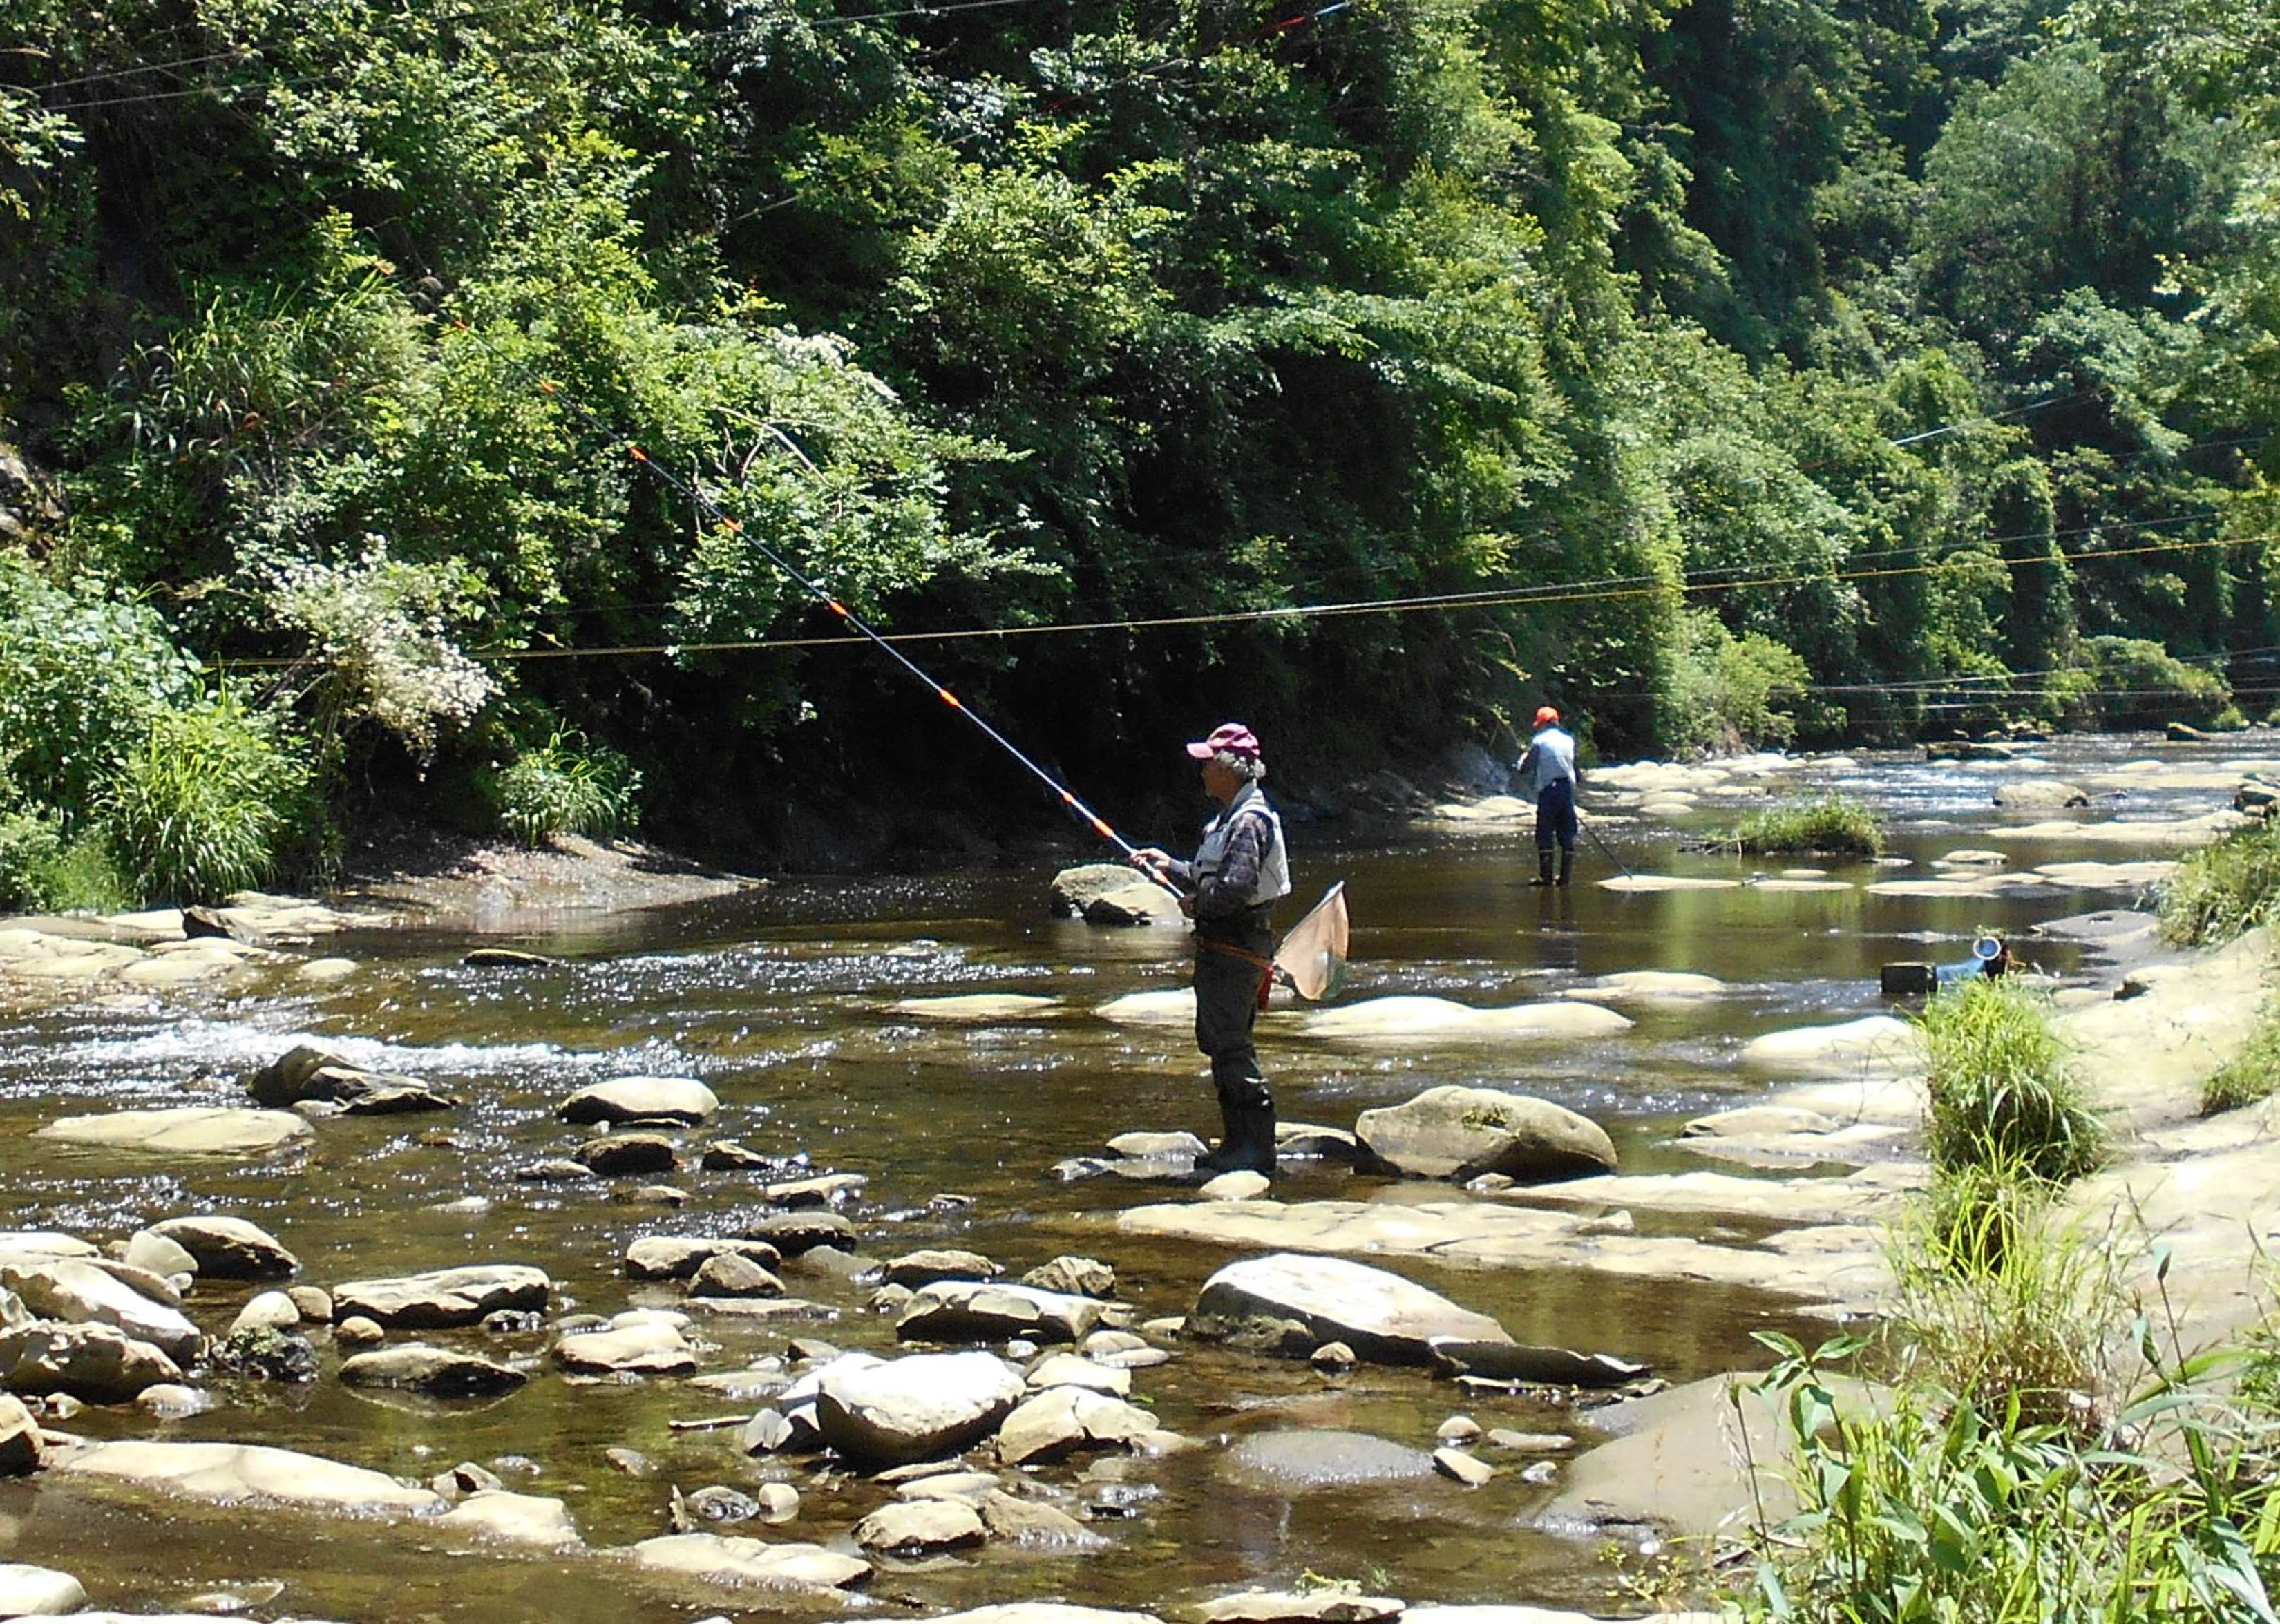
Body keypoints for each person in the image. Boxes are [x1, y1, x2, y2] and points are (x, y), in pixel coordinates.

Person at [1131, 723, 1292, 1176]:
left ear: (1230, 769)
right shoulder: (1230, 818)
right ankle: (1239, 1143)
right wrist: (1171, 866)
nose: (1201, 770)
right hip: (1227, 945)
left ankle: (1255, 1149)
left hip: (1237, 947)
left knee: (1230, 1044)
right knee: (1221, 1041)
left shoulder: (1248, 820)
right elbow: (1218, 879)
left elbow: (1235, 889)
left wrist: (1194, 903)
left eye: (1208, 762)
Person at [1516, 705, 1580, 887]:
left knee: (1545, 833)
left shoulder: (1539, 741)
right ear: (1557, 721)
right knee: (1567, 834)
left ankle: (1546, 878)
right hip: (1566, 789)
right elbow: (1575, 768)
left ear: (1543, 724)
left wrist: (1521, 760)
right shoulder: (1569, 740)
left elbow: (1525, 768)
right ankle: (1565, 879)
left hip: (1549, 791)